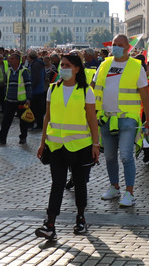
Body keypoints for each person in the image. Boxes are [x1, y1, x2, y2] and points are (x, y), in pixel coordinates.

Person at [34, 52, 101, 240]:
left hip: (80, 146)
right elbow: (47, 117)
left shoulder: (86, 90)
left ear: (77, 69)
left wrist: (96, 144)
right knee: (57, 184)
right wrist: (42, 143)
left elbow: (91, 118)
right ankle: (50, 224)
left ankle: (80, 218)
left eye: (67, 65)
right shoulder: (53, 89)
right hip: (56, 146)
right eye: (62, 65)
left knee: (80, 183)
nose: (63, 68)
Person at [92, 35, 149, 207]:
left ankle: (130, 193)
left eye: (119, 45)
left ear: (127, 48)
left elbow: (144, 95)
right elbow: (94, 86)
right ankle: (114, 187)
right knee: (110, 156)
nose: (115, 48)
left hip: (128, 118)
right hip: (106, 117)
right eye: (113, 45)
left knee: (126, 156)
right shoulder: (104, 64)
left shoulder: (136, 66)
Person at [0, 52, 32, 145]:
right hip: (10, 100)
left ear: (18, 60)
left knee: (23, 121)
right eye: (10, 59)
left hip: (21, 101)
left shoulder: (23, 71)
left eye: (12, 59)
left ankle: (23, 137)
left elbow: (28, 85)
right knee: (6, 121)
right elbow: (7, 84)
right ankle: (2, 138)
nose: (9, 60)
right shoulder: (9, 70)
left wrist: (28, 99)